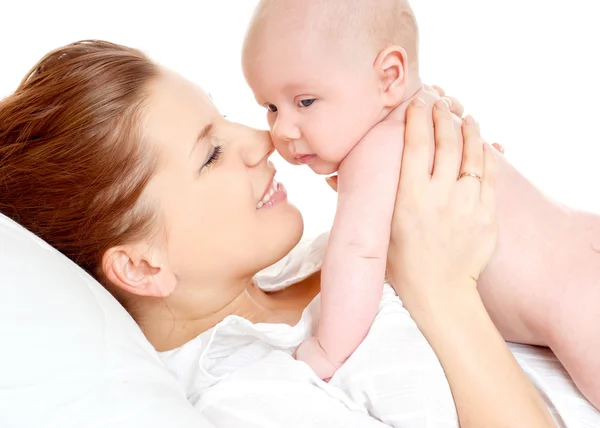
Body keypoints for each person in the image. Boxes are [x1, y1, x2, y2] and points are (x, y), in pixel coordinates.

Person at [0, 40, 556, 427]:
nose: (260, 140)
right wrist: (443, 289)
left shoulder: (322, 259)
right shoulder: (250, 403)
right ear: (143, 266)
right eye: (211, 153)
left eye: (221, 116)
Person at [242, 0, 600, 407]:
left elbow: (357, 255)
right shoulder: (430, 108)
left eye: (305, 102)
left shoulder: (373, 152)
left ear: (390, 76)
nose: (283, 129)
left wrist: (327, 349)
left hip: (582, 305)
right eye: (270, 107)